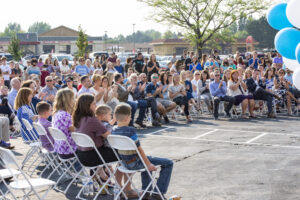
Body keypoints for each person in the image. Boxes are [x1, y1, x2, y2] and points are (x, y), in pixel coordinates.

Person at [112, 103, 173, 200]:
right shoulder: (130, 131)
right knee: (168, 163)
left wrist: (147, 163)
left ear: (115, 116)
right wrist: (148, 164)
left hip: (124, 163)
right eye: (131, 116)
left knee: (147, 160)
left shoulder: (113, 130)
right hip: (135, 162)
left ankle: (146, 192)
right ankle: (158, 193)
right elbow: (139, 150)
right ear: (128, 117)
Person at [52, 89, 78, 161]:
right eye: (73, 98)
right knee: (95, 148)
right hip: (69, 149)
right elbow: (76, 130)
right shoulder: (65, 115)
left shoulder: (57, 113)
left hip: (60, 148)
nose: (75, 100)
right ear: (67, 100)